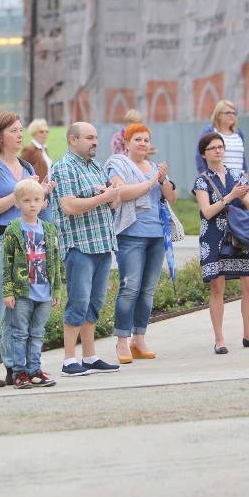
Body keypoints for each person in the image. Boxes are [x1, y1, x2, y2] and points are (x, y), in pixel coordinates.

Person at [0, 111, 50, 388]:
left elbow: (37, 208)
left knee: (16, 309)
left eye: (20, 130)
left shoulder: (28, 167)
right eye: (14, 131)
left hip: (26, 244)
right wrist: (18, 192)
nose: (20, 135)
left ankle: (14, 366)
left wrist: (42, 197)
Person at [51, 122, 122, 377]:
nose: (95, 142)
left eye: (96, 137)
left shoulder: (95, 165)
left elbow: (115, 203)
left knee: (94, 303)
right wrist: (103, 198)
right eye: (89, 138)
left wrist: (112, 194)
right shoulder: (63, 168)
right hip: (79, 245)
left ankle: (90, 357)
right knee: (78, 303)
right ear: (73, 140)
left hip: (103, 244)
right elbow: (69, 206)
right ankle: (69, 361)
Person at [193, 132, 249, 354]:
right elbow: (207, 212)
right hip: (214, 237)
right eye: (212, 148)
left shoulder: (237, 174)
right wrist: (229, 196)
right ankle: (219, 339)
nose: (218, 151)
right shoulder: (202, 180)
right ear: (204, 154)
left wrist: (243, 196)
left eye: (220, 146)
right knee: (218, 288)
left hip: (239, 235)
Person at [105, 123, 175, 363]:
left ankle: (139, 338)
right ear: (126, 143)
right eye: (137, 139)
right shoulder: (117, 164)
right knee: (129, 288)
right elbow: (120, 192)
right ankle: (122, 341)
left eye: (146, 140)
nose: (142, 143)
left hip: (156, 235)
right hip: (131, 234)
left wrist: (163, 180)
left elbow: (172, 197)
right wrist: (151, 181)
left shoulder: (155, 168)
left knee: (147, 290)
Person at [2, 179, 62, 389]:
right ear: (18, 203)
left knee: (37, 333)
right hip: (22, 293)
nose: (33, 204)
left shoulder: (48, 229)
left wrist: (56, 289)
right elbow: (6, 263)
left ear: (44, 202)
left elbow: (54, 260)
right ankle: (19, 373)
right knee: (20, 333)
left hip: (44, 291)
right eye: (27, 200)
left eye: (37, 200)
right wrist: (8, 291)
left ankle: (34, 370)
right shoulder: (13, 229)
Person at [195, 100, 248, 177]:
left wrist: (246, 174)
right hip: (218, 179)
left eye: (234, 113)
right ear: (218, 115)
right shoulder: (210, 131)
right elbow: (199, 154)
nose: (232, 115)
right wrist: (204, 175)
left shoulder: (238, 133)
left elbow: (241, 156)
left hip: (239, 179)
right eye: (228, 113)